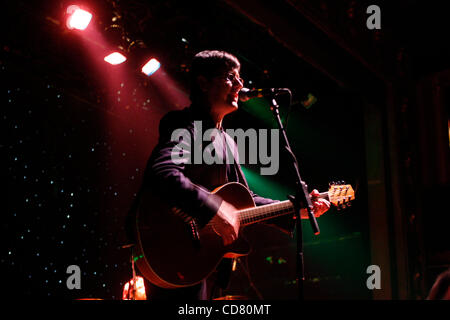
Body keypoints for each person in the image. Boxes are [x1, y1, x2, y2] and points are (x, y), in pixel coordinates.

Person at [125, 50, 330, 299]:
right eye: (231, 77)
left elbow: (245, 199)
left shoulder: (227, 142)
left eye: (240, 78)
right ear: (203, 82)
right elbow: (163, 172)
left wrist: (295, 208)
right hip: (171, 249)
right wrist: (213, 209)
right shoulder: (184, 124)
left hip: (206, 259)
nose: (240, 84)